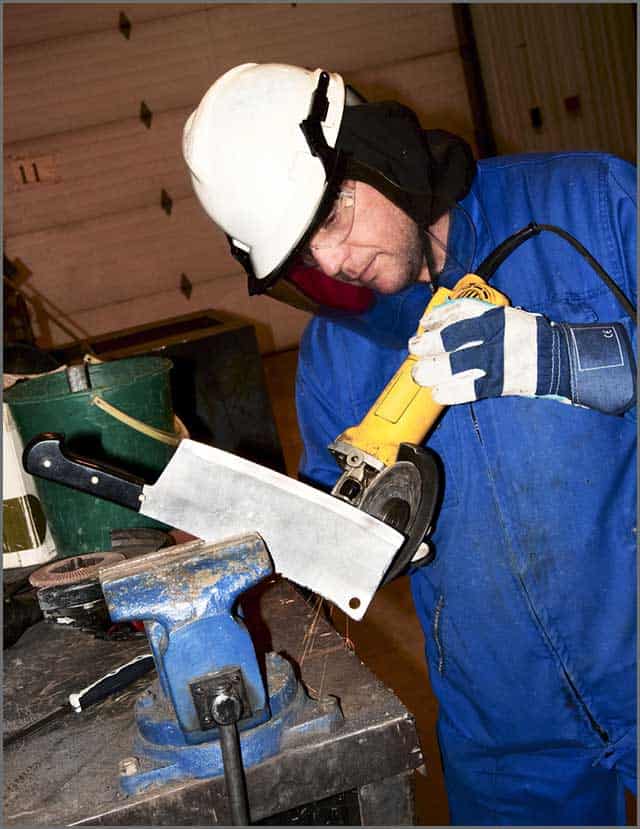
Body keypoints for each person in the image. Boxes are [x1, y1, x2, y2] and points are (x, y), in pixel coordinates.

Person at [183, 63, 637, 825]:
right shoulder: (334, 354)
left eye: (329, 219)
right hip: (504, 733)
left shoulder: (591, 204)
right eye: (301, 257)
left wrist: (565, 357)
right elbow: (337, 522)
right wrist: (363, 538)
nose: (329, 264)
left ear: (376, 153)